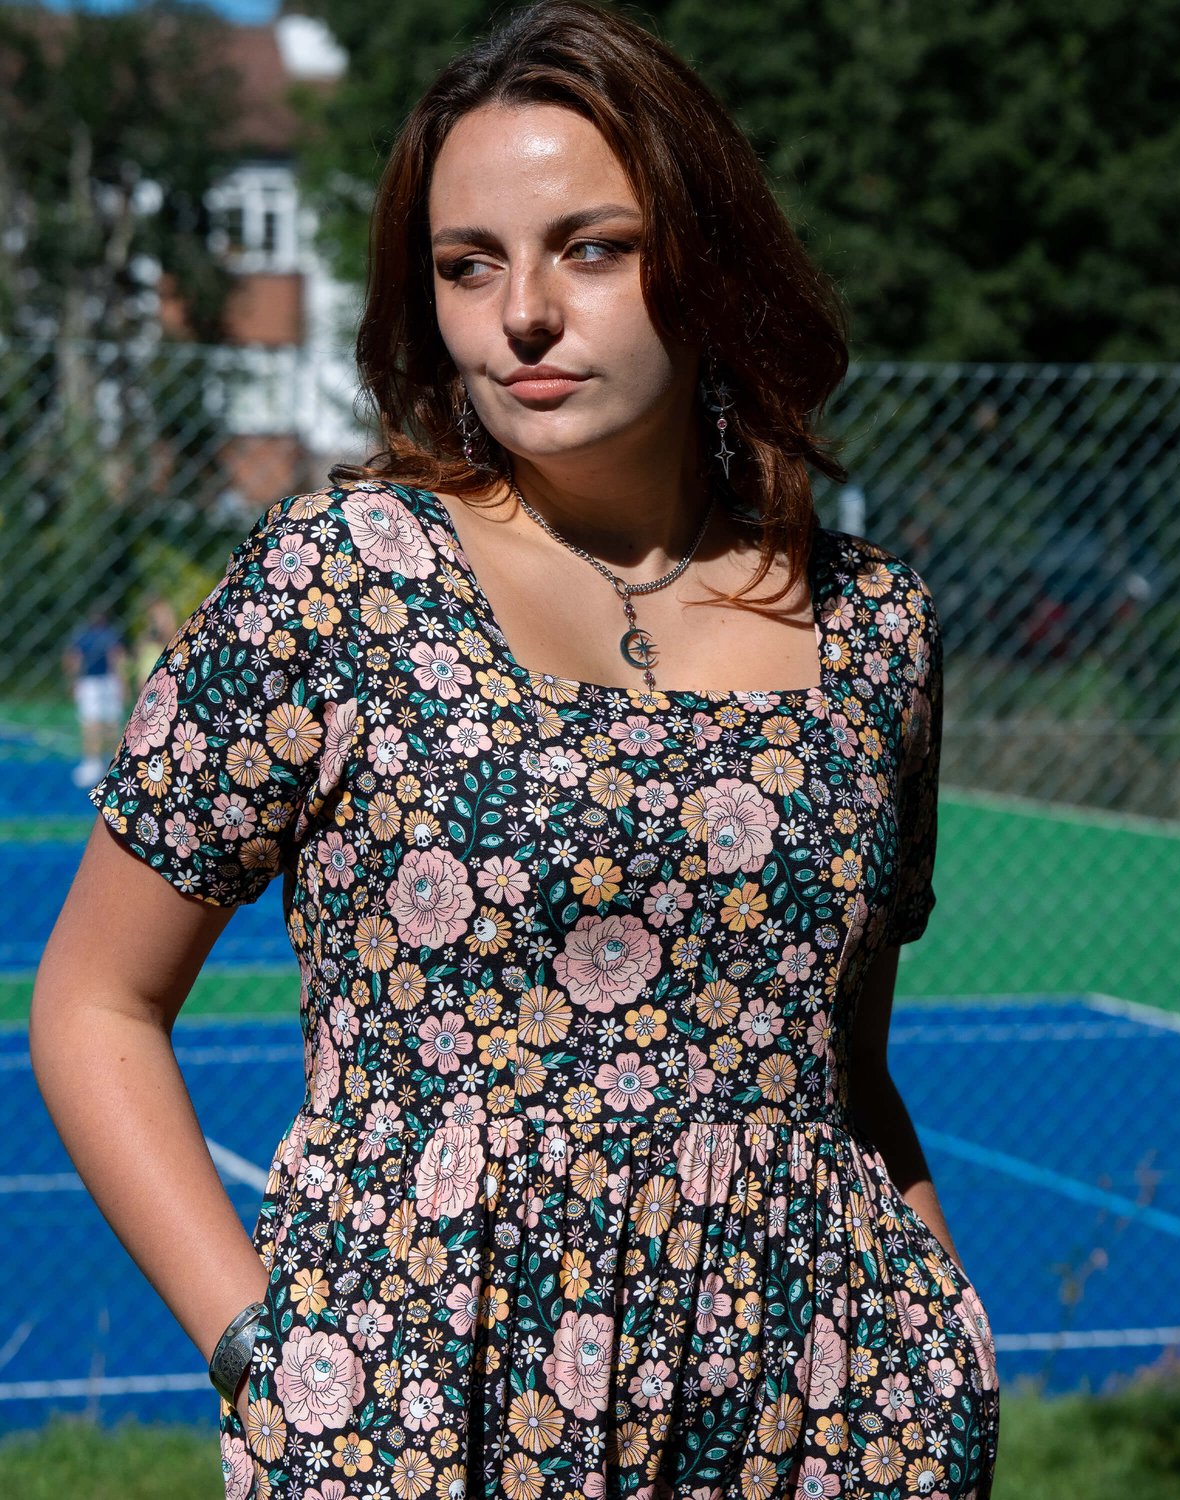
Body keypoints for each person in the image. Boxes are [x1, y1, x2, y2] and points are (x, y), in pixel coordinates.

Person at [31, 3, 1000, 1496]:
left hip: (834, 1420)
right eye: (467, 264)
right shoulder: (342, 579)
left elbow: (842, 1069)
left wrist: (944, 1334)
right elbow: (95, 1001)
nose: (522, 315)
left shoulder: (877, 631)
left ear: (709, 258)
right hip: (432, 1413)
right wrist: (267, 1362)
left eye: (592, 249)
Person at [62, 606, 126, 787]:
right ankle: (112, 762)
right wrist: (122, 681)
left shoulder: (83, 635)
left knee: (92, 723)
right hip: (106, 681)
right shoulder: (109, 634)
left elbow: (74, 658)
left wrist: (72, 680)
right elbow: (116, 657)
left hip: (91, 682)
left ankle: (93, 763)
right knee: (110, 722)